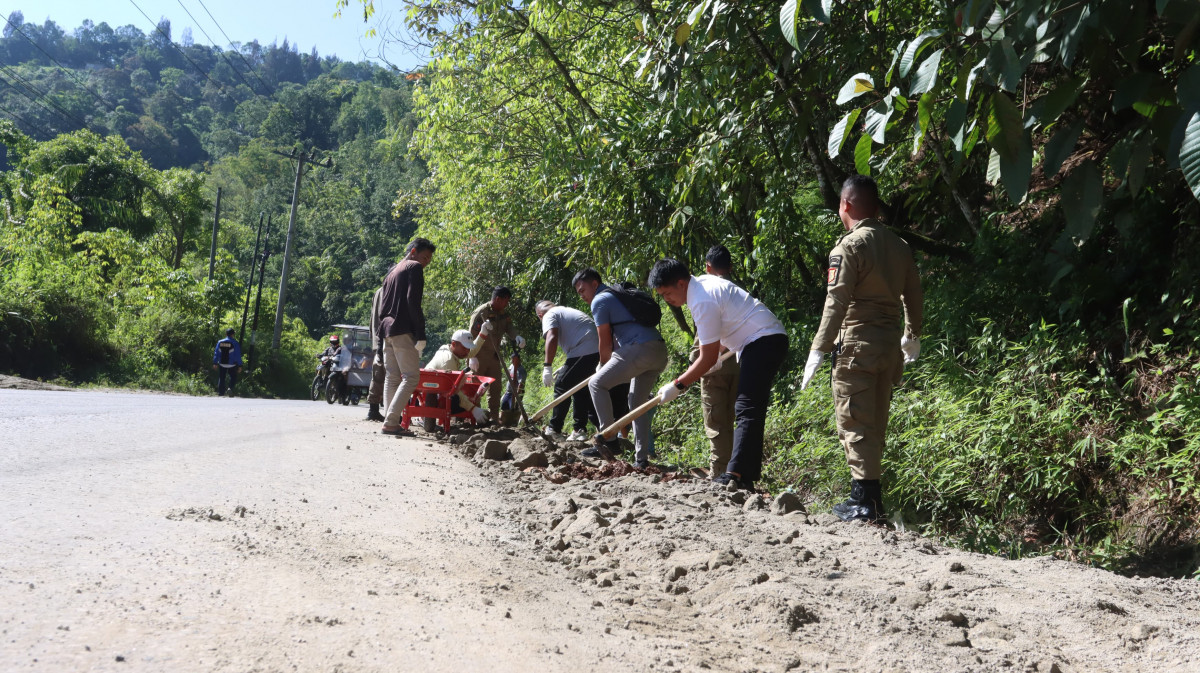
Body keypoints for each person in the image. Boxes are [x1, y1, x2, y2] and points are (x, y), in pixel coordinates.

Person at [800, 174, 923, 522]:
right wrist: (912, 334)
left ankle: (865, 502)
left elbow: (836, 301)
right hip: (889, 347)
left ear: (846, 204)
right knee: (876, 421)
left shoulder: (849, 247)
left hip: (857, 346)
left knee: (854, 420)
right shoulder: (899, 245)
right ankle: (870, 498)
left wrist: (819, 348)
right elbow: (914, 294)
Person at [649, 258, 788, 491]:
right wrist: (717, 356)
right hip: (763, 340)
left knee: (746, 407)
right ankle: (745, 476)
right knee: (750, 409)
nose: (667, 300)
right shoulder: (702, 287)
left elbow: (707, 357)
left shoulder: (701, 299)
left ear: (681, 283)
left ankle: (735, 474)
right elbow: (723, 332)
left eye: (667, 293)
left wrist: (678, 385)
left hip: (763, 341)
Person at [572, 268, 667, 468]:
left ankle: (609, 440)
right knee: (637, 404)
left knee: (596, 384)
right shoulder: (616, 295)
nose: (582, 296)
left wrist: (602, 365)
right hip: (658, 351)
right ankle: (641, 459)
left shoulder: (600, 300)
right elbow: (616, 341)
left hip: (640, 349)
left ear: (595, 284)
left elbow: (605, 342)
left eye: (582, 290)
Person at [377, 237, 436, 437]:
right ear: (413, 252)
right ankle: (391, 421)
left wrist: (380, 336)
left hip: (387, 329)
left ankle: (390, 421)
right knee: (411, 377)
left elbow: (382, 307)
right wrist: (421, 333)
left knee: (392, 377)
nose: (426, 263)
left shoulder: (392, 272)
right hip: (402, 329)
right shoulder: (413, 267)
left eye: (428, 260)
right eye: (425, 257)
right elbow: (413, 301)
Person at [692, 245, 742, 478]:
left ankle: (719, 472)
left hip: (713, 367)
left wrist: (694, 365)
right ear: (730, 267)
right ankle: (735, 471)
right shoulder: (739, 290)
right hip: (739, 365)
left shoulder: (706, 291)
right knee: (735, 420)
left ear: (707, 267)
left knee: (716, 423)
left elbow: (704, 338)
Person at [535, 299, 604, 442]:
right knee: (580, 390)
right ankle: (579, 430)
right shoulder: (564, 311)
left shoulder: (549, 315)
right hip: (596, 351)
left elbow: (551, 337)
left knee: (562, 384)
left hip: (584, 350)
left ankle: (554, 429)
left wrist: (547, 366)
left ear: (540, 315)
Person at [469, 287, 526, 422]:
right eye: (506, 300)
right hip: (479, 356)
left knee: (496, 388)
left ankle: (494, 419)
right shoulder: (482, 312)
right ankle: (472, 417)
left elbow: (509, 327)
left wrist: (517, 336)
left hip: (494, 356)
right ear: (498, 299)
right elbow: (471, 334)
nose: (507, 304)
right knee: (475, 388)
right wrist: (471, 356)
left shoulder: (503, 313)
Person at [424, 329, 490, 425]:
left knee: (461, 393)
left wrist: (482, 334)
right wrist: (473, 408)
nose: (467, 352)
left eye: (468, 348)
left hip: (434, 385)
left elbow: (471, 352)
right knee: (457, 399)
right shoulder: (448, 361)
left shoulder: (447, 349)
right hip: (438, 391)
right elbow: (453, 389)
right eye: (465, 348)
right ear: (454, 344)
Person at [365, 286, 386, 421]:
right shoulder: (391, 289)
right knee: (392, 377)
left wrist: (373, 337)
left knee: (377, 376)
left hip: (377, 339)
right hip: (386, 339)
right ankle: (392, 414)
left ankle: (373, 410)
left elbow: (372, 316)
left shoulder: (378, 291)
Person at [212, 328, 243, 397]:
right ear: (233, 334)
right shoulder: (235, 343)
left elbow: (216, 353)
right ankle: (230, 388)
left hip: (222, 363)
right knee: (233, 377)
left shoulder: (220, 342)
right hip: (232, 364)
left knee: (222, 377)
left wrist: (215, 363)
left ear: (226, 334)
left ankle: (221, 393)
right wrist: (240, 365)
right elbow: (238, 355)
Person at [499, 352, 526, 426]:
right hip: (508, 392)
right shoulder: (512, 366)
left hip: (516, 393)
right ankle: (502, 422)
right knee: (504, 406)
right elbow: (509, 374)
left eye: (514, 360)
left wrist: (517, 394)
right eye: (512, 359)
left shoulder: (521, 370)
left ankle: (514, 423)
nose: (513, 361)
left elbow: (521, 383)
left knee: (514, 408)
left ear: (519, 360)